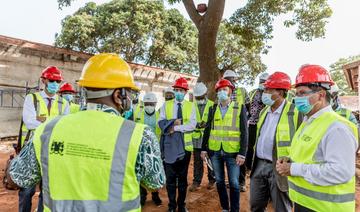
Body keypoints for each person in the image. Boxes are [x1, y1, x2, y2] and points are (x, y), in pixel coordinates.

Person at [9, 53, 165, 212]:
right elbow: (155, 182)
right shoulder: (140, 136)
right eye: (130, 93)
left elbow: (16, 178)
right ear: (119, 95)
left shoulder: (47, 130)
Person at [276, 64, 358, 212]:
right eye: (296, 94)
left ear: (320, 94)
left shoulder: (337, 127)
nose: (296, 98)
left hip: (326, 208)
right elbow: (310, 156)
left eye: (302, 93)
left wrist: (293, 168)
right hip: (306, 203)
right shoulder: (309, 121)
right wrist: (289, 160)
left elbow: (341, 172)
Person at [18, 66, 69, 212]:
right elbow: (29, 122)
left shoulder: (64, 104)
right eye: (52, 80)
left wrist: (41, 120)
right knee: (27, 190)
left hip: (52, 151)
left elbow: (64, 127)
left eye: (58, 81)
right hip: (31, 150)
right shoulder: (32, 98)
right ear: (44, 80)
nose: (55, 84)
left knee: (46, 191)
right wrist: (54, 123)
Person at [249, 72, 303, 212]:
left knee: (281, 207)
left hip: (280, 168)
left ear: (280, 92)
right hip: (259, 164)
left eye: (268, 90)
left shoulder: (295, 112)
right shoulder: (264, 112)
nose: (264, 93)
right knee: (256, 205)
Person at [201, 79, 248, 212]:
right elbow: (208, 129)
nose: (222, 92)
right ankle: (225, 208)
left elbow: (244, 132)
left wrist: (242, 153)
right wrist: (204, 149)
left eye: (225, 89)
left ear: (230, 91)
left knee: (234, 183)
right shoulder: (213, 108)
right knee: (220, 182)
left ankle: (235, 209)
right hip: (215, 151)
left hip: (233, 153)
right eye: (219, 90)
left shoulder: (240, 107)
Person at [158, 77, 196, 212]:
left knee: (183, 179)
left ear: (185, 92)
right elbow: (161, 123)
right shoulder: (166, 105)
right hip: (170, 148)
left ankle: (181, 205)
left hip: (185, 149)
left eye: (181, 90)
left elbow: (192, 125)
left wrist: (176, 128)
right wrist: (174, 122)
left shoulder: (191, 106)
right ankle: (171, 206)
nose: (178, 92)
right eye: (176, 90)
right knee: (170, 179)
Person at [223, 69, 250, 191]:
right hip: (229, 129)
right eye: (228, 79)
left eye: (232, 79)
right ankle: (233, 180)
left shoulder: (242, 91)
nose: (230, 81)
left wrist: (246, 119)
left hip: (241, 125)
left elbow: (248, 106)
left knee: (241, 154)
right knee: (231, 157)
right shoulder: (224, 92)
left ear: (235, 80)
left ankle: (242, 182)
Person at [134, 92, 162, 206]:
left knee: (154, 172)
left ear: (155, 104)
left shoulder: (159, 116)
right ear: (144, 104)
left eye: (151, 103)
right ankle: (142, 196)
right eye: (147, 103)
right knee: (141, 172)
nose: (149, 106)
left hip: (154, 148)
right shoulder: (137, 113)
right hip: (140, 148)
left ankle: (155, 196)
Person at [188, 82, 215, 192]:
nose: (198, 99)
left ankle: (212, 179)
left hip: (209, 138)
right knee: (198, 161)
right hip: (196, 137)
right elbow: (188, 120)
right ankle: (196, 181)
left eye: (200, 97)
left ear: (205, 94)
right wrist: (196, 124)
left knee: (210, 160)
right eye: (197, 97)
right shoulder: (192, 105)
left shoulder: (212, 105)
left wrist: (207, 124)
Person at [246, 73, 269, 171]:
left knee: (260, 145)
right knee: (250, 145)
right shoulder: (252, 92)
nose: (262, 84)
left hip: (263, 124)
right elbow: (247, 105)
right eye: (261, 82)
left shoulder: (269, 95)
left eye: (264, 82)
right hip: (251, 123)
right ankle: (248, 165)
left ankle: (258, 165)